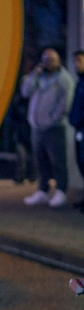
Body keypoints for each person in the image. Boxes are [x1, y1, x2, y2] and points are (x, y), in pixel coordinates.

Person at [21, 47, 74, 208]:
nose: (48, 63)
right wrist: (33, 74)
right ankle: (42, 191)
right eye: (45, 59)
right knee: (40, 161)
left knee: (58, 161)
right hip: (36, 127)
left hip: (54, 128)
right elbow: (25, 92)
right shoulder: (39, 78)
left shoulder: (64, 80)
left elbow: (64, 105)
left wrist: (51, 120)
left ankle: (61, 191)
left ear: (58, 62)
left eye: (52, 60)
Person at [69, 49, 84, 209]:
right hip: (79, 128)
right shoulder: (80, 81)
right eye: (75, 61)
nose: (76, 64)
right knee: (81, 162)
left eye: (79, 60)